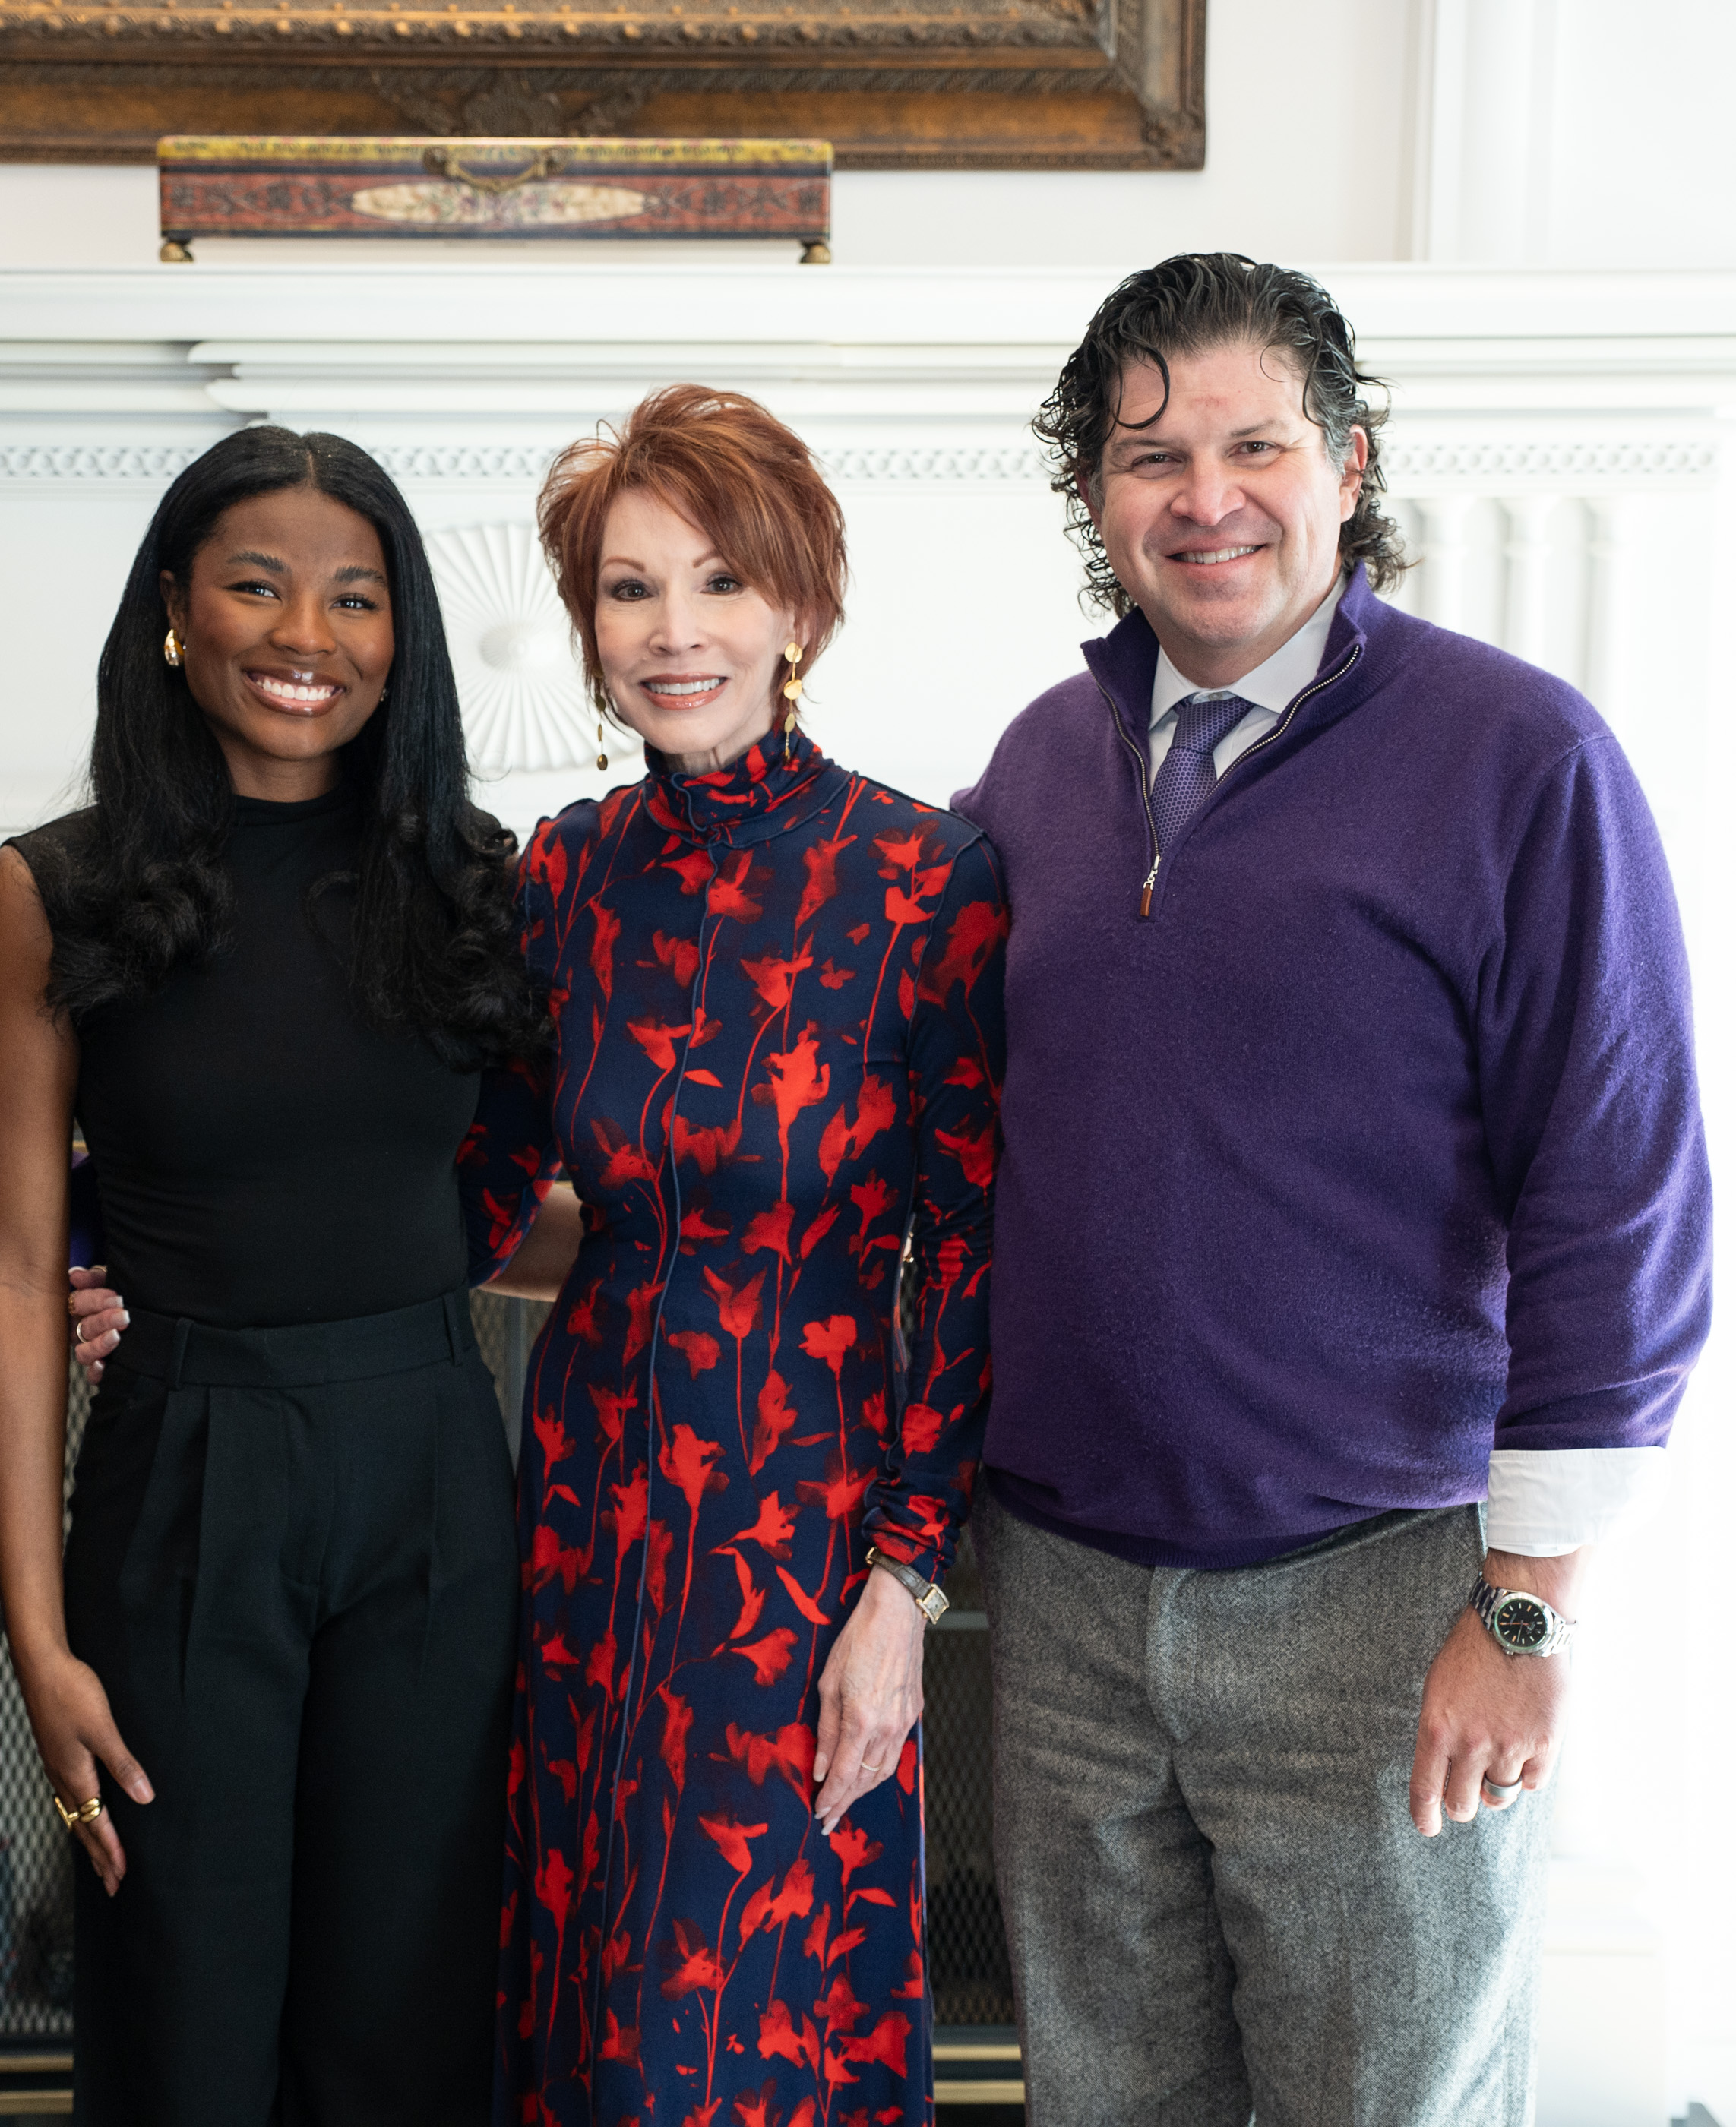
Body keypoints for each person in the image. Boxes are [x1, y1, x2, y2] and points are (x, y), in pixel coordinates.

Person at [953, 254, 1714, 2125]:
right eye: (1148, 456)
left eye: (1255, 442)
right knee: (1107, 2102)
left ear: (1351, 461)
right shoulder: (1036, 770)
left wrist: (1524, 1607)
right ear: (1094, 500)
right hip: (1061, 1603)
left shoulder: (1519, 758)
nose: (1204, 494)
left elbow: (1615, 1192)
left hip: (1380, 1602)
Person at [0, 425, 551, 2126]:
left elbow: (510, 1204)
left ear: (402, 633)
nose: (310, 633)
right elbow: (11, 1271)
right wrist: (38, 1637)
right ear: (173, 611)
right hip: (185, 1469)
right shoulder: (47, 892)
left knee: (412, 2005)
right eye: (259, 585)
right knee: (186, 2006)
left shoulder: (473, 884)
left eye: (357, 596)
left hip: (436, 1467)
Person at [463, 384, 1008, 2127]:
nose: (675, 631)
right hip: (588, 1510)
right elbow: (471, 1190)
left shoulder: (927, 878)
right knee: (592, 1992)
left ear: (801, 608)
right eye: (630, 591)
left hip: (808, 1533)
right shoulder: (560, 875)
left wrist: (904, 1589)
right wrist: (161, 1259)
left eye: (720, 582)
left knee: (739, 2012)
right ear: (588, 628)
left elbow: (976, 1251)